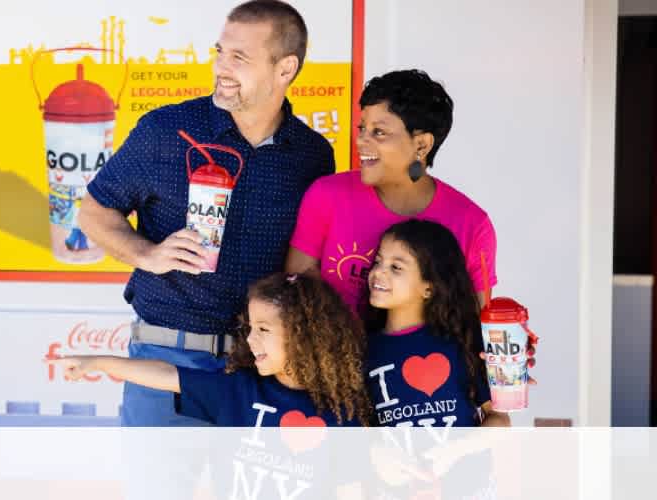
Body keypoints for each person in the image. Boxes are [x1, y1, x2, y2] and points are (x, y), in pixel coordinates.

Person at [80, 0, 335, 427]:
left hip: (260, 368)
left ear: (285, 69)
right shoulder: (165, 131)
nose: (221, 67)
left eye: (239, 57)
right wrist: (147, 254)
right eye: (219, 52)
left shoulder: (311, 156)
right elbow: (94, 211)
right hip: (165, 357)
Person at [49, 272, 370, 499]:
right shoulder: (237, 389)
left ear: (303, 334)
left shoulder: (344, 415)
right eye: (249, 327)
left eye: (263, 329)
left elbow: (350, 490)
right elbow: (165, 374)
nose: (250, 338)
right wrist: (99, 362)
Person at [286, 69, 496, 311]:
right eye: (362, 128)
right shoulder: (326, 195)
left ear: (422, 144)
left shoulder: (472, 225)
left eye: (379, 132)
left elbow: (479, 328)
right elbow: (295, 306)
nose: (361, 140)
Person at [363, 220, 509, 499]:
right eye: (378, 261)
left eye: (396, 267)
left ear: (428, 288)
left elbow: (500, 422)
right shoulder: (362, 349)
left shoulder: (463, 341)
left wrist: (455, 451)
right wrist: (377, 457)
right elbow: (358, 430)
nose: (378, 272)